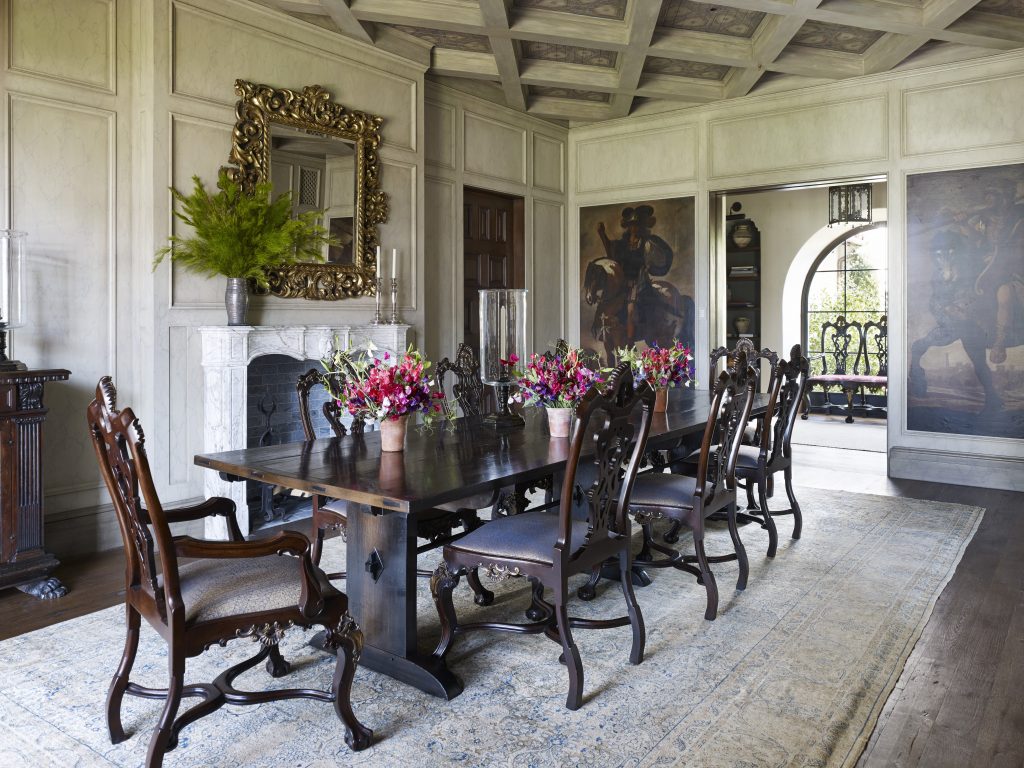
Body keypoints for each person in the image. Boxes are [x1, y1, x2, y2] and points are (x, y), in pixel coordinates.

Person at [596, 205, 674, 338]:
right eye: (632, 225)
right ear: (628, 226)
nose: (634, 228)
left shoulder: (647, 243)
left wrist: (651, 266)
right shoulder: (622, 244)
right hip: (622, 284)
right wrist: (602, 234)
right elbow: (611, 253)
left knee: (631, 312)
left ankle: (630, 341)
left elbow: (665, 254)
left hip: (639, 283)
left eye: (637, 225)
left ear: (642, 226)